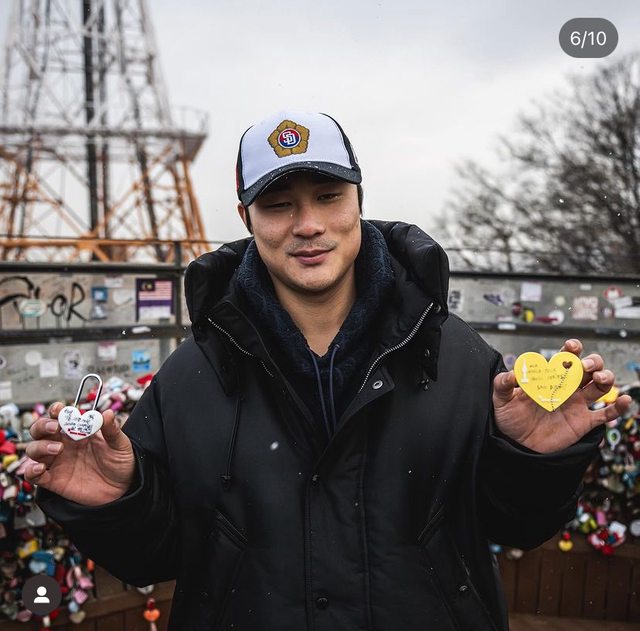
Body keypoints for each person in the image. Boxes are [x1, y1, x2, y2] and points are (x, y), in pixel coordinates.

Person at [29, 110, 630, 631]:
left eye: (328, 196)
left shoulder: (455, 356)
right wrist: (116, 502)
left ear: (359, 201)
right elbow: (158, 555)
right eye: (278, 205)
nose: (308, 225)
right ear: (246, 217)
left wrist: (531, 459)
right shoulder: (192, 378)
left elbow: (515, 526)